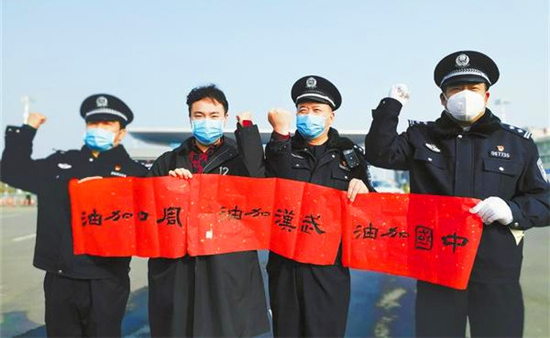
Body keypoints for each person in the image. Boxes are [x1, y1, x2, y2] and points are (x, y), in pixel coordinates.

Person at [365, 51, 550, 337]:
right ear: (443, 98)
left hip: (496, 269)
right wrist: (391, 107)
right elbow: (379, 153)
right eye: (456, 89)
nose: (465, 95)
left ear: (486, 96)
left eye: (473, 88)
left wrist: (512, 211)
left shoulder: (517, 143)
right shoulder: (421, 137)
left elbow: (544, 200)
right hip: (437, 267)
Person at [1, 93, 147, 337]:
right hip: (62, 277)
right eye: (94, 123)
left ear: (121, 133)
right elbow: (12, 171)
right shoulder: (60, 164)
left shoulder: (136, 174)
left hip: (107, 279)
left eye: (107, 124)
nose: (99, 128)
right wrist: (28, 129)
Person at [146, 84, 270, 337]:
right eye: (199, 115)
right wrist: (169, 188)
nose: (206, 122)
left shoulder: (240, 158)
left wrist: (247, 131)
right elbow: (146, 211)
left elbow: (259, 187)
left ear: (225, 117)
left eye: (214, 115)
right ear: (190, 118)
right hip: (179, 268)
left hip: (225, 266)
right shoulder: (168, 161)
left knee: (226, 328)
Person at [265, 75, 373, 337]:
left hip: (329, 266)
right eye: (303, 110)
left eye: (316, 110)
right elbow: (273, 184)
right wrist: (279, 136)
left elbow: (369, 206)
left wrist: (364, 190)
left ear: (331, 117)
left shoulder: (349, 155)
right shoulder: (282, 148)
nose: (308, 116)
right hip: (286, 264)